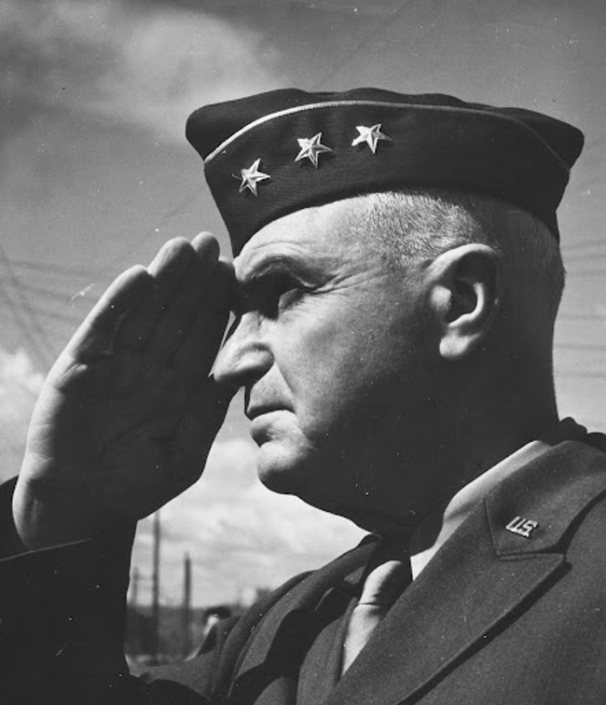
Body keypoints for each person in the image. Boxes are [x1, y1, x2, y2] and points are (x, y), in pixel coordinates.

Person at [1, 88, 605, 704]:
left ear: (460, 301)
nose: (231, 361)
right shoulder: (283, 627)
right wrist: (64, 517)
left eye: (281, 293)